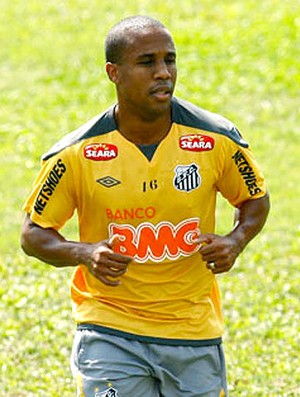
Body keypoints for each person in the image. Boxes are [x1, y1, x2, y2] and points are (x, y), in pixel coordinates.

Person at [21, 15, 270, 397]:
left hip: (191, 328)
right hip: (109, 327)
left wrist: (236, 241)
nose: (163, 73)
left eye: (169, 60)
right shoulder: (76, 154)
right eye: (146, 62)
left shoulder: (216, 139)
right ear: (113, 72)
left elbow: (255, 199)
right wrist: (84, 253)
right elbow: (33, 233)